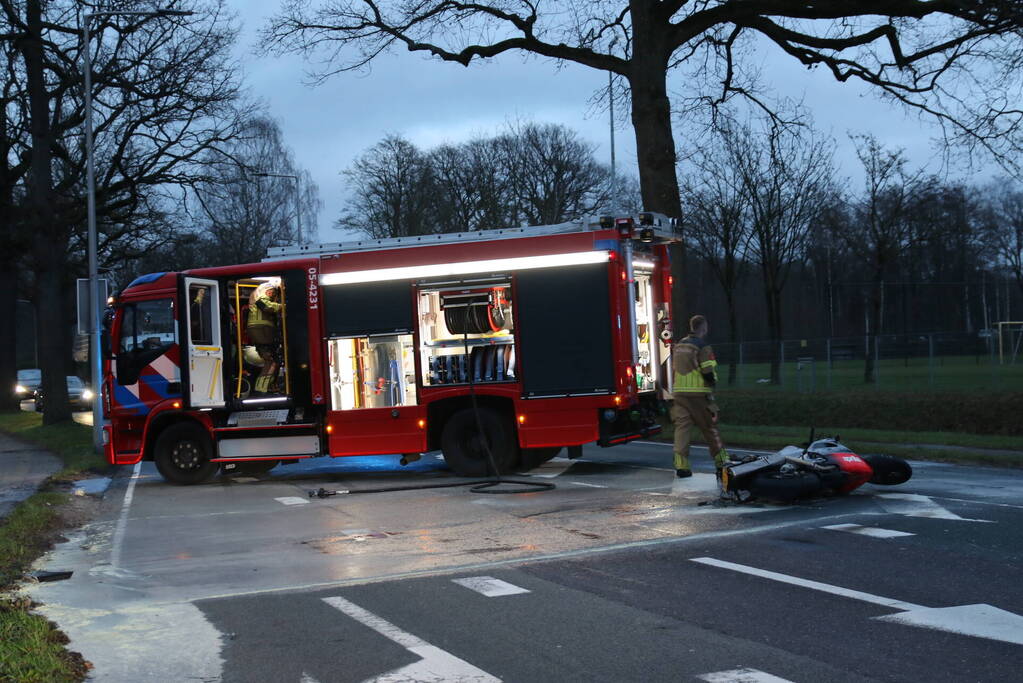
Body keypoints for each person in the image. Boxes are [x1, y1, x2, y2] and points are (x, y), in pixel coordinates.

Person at [672, 314, 730, 480]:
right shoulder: (702, 347)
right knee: (710, 428)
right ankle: (722, 461)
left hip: (679, 393)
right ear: (703, 328)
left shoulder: (679, 345)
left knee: (682, 429)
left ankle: (681, 465)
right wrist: (712, 386)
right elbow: (707, 371)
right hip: (698, 394)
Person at [246, 282, 282, 394]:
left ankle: (263, 388)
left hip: (259, 329)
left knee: (271, 360)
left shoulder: (257, 293)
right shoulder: (265, 293)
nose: (273, 295)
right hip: (261, 328)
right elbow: (265, 306)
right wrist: (282, 306)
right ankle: (262, 389)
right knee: (272, 361)